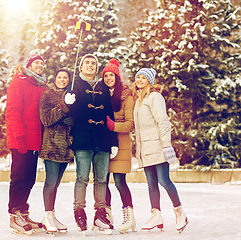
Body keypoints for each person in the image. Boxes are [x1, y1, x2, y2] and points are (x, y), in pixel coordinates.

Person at [64, 54, 119, 233]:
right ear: (80, 67)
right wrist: (67, 101)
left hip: (102, 139)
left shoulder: (103, 87)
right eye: (87, 62)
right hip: (83, 138)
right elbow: (69, 111)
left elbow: (109, 114)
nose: (90, 65)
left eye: (93, 63)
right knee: (82, 178)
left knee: (102, 179)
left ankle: (100, 215)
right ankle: (79, 211)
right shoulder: (74, 85)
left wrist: (113, 141)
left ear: (97, 68)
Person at [132, 68, 189, 233]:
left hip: (157, 146)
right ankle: (156, 215)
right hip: (146, 148)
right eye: (138, 77)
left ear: (149, 80)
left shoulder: (154, 97)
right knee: (151, 184)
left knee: (164, 180)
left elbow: (163, 122)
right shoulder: (139, 100)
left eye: (143, 77)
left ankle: (180, 212)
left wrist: (166, 146)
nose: (140, 80)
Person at [5, 53, 47, 235]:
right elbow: (12, 112)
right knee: (19, 177)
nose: (40, 65)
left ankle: (23, 211)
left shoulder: (41, 86)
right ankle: (14, 214)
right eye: (37, 63)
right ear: (29, 65)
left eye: (42, 63)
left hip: (35, 141)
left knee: (30, 178)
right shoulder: (19, 82)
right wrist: (19, 136)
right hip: (21, 139)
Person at [101, 59, 136, 233]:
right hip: (104, 144)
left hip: (121, 145)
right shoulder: (100, 95)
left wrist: (114, 126)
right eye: (106, 75)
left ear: (117, 76)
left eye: (111, 75)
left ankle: (129, 216)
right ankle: (106, 215)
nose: (108, 78)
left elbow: (130, 124)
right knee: (103, 181)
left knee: (120, 182)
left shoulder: (126, 97)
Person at [39, 69, 74, 233]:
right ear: (55, 79)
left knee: (56, 184)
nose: (62, 80)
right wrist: (63, 106)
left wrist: (71, 113)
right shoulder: (48, 95)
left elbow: (75, 119)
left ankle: (51, 215)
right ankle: (47, 216)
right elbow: (46, 120)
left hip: (66, 148)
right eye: (59, 77)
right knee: (51, 182)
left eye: (65, 77)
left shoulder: (73, 95)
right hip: (52, 145)